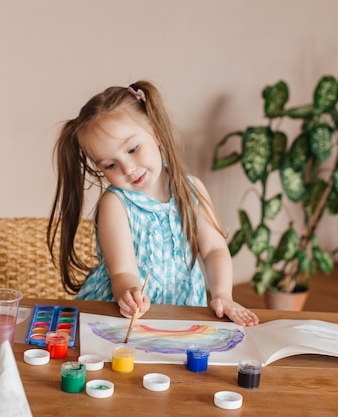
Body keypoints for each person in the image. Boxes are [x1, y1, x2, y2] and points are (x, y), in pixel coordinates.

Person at [47, 80, 259, 327]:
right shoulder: (115, 204)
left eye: (133, 149)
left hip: (183, 311)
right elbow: (122, 272)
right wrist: (131, 293)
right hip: (122, 316)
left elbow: (214, 250)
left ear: (156, 133)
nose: (128, 168)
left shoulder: (192, 190)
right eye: (110, 165)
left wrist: (223, 295)